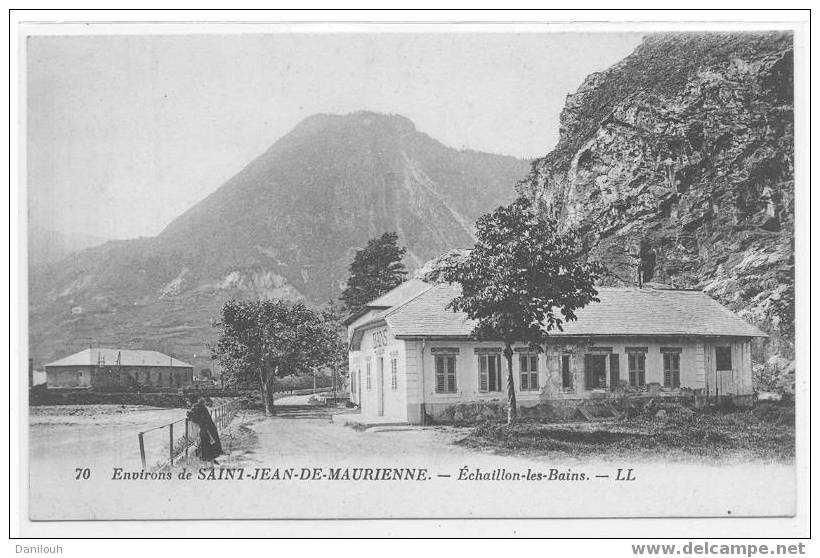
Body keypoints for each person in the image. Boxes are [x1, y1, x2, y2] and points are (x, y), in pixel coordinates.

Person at [186, 398, 223, 465]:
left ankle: (207, 464)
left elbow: (195, 418)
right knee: (210, 445)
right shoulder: (201, 406)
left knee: (205, 446)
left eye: (187, 401)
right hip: (209, 428)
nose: (187, 403)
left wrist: (188, 414)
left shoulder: (196, 407)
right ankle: (211, 462)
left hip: (205, 429)